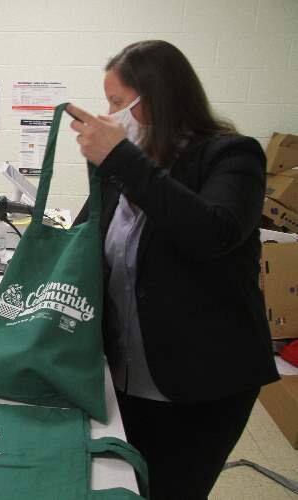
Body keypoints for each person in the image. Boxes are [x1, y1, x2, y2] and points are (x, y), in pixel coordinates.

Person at [68, 40, 279, 499]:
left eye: (118, 103)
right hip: (121, 374)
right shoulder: (124, 168)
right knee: (122, 484)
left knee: (172, 490)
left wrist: (121, 158)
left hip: (200, 383)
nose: (110, 114)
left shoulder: (232, 156)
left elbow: (212, 232)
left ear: (157, 97)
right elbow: (84, 242)